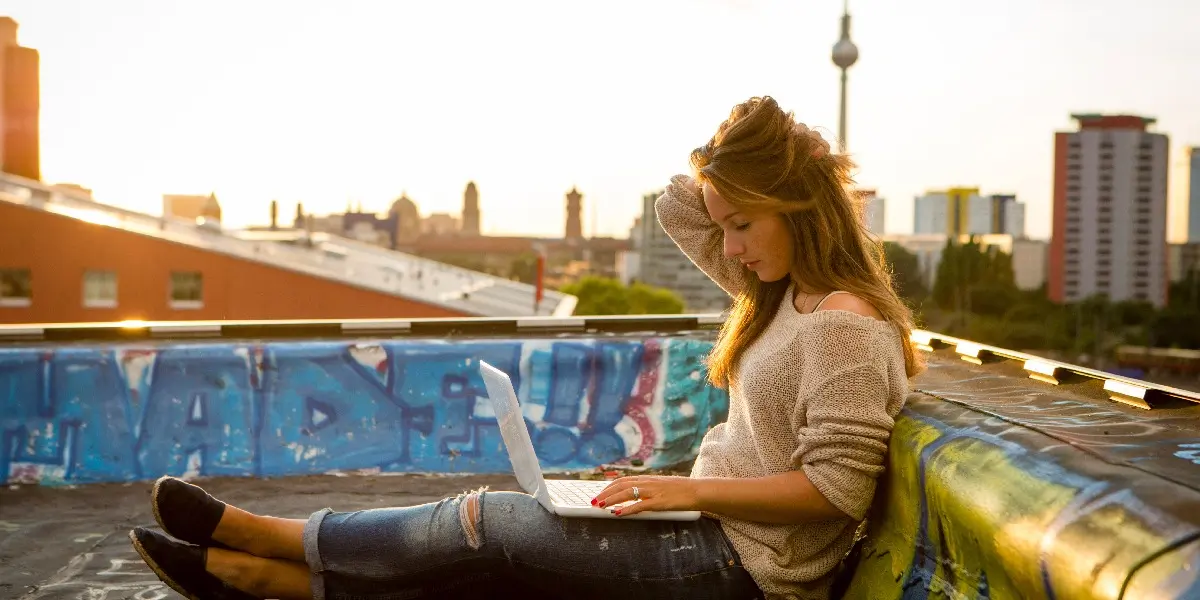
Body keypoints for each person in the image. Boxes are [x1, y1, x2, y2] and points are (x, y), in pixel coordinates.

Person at [128, 96, 921, 600]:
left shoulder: (842, 323)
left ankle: (263, 548)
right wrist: (755, 150)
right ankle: (262, 575)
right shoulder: (778, 290)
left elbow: (833, 491)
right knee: (491, 553)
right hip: (705, 531)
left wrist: (684, 493)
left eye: (743, 225)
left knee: (487, 526)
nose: (729, 247)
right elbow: (679, 207)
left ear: (800, 206)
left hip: (743, 569)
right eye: (727, 229)